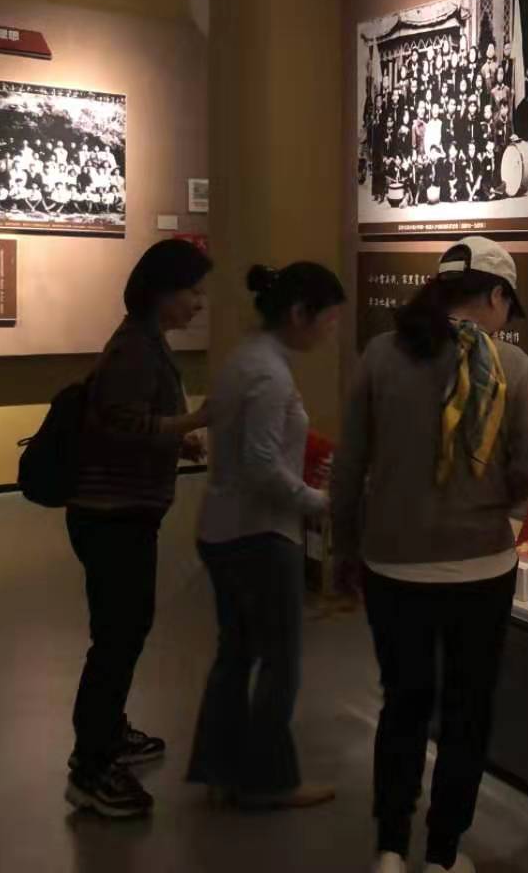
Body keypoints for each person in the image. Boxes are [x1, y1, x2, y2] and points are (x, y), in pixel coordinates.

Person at [330, 237, 528, 873]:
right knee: (467, 712)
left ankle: (391, 847)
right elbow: (527, 472)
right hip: (482, 567)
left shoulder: (379, 355)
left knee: (403, 702)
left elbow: (349, 467)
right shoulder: (512, 366)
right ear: (497, 295)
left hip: (393, 564)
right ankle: (444, 855)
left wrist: (344, 550)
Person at [187, 262, 346, 811]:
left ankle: (222, 769)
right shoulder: (270, 374)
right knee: (279, 661)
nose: (330, 331)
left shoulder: (246, 359)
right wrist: (317, 502)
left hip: (223, 528)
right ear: (299, 313)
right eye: (328, 319)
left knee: (236, 654)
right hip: (258, 534)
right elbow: (261, 465)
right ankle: (269, 780)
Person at [64, 239, 213, 819]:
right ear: (162, 292)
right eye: (192, 291)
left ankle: (107, 733)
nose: (199, 303)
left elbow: (138, 423)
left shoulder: (146, 342)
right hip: (112, 517)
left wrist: (180, 438)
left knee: (123, 630)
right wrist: (194, 420)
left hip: (124, 515)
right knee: (117, 637)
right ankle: (91, 767)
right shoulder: (134, 348)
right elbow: (120, 426)